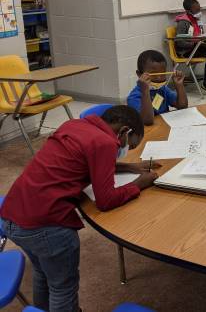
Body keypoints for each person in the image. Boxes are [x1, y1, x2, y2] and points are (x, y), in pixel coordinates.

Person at [0, 105, 158, 312]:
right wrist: (140, 183)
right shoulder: (105, 142)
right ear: (123, 131)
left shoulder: (75, 125)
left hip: (13, 216)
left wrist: (130, 167)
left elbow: (88, 160)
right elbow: (106, 201)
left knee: (43, 272)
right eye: (129, 143)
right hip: (45, 226)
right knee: (62, 287)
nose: (124, 149)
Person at [127, 50, 188, 126]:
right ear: (139, 74)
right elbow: (147, 121)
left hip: (164, 127)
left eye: (162, 74)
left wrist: (179, 86)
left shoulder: (163, 89)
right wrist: (145, 91)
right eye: (154, 74)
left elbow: (183, 106)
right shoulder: (134, 97)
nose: (159, 78)